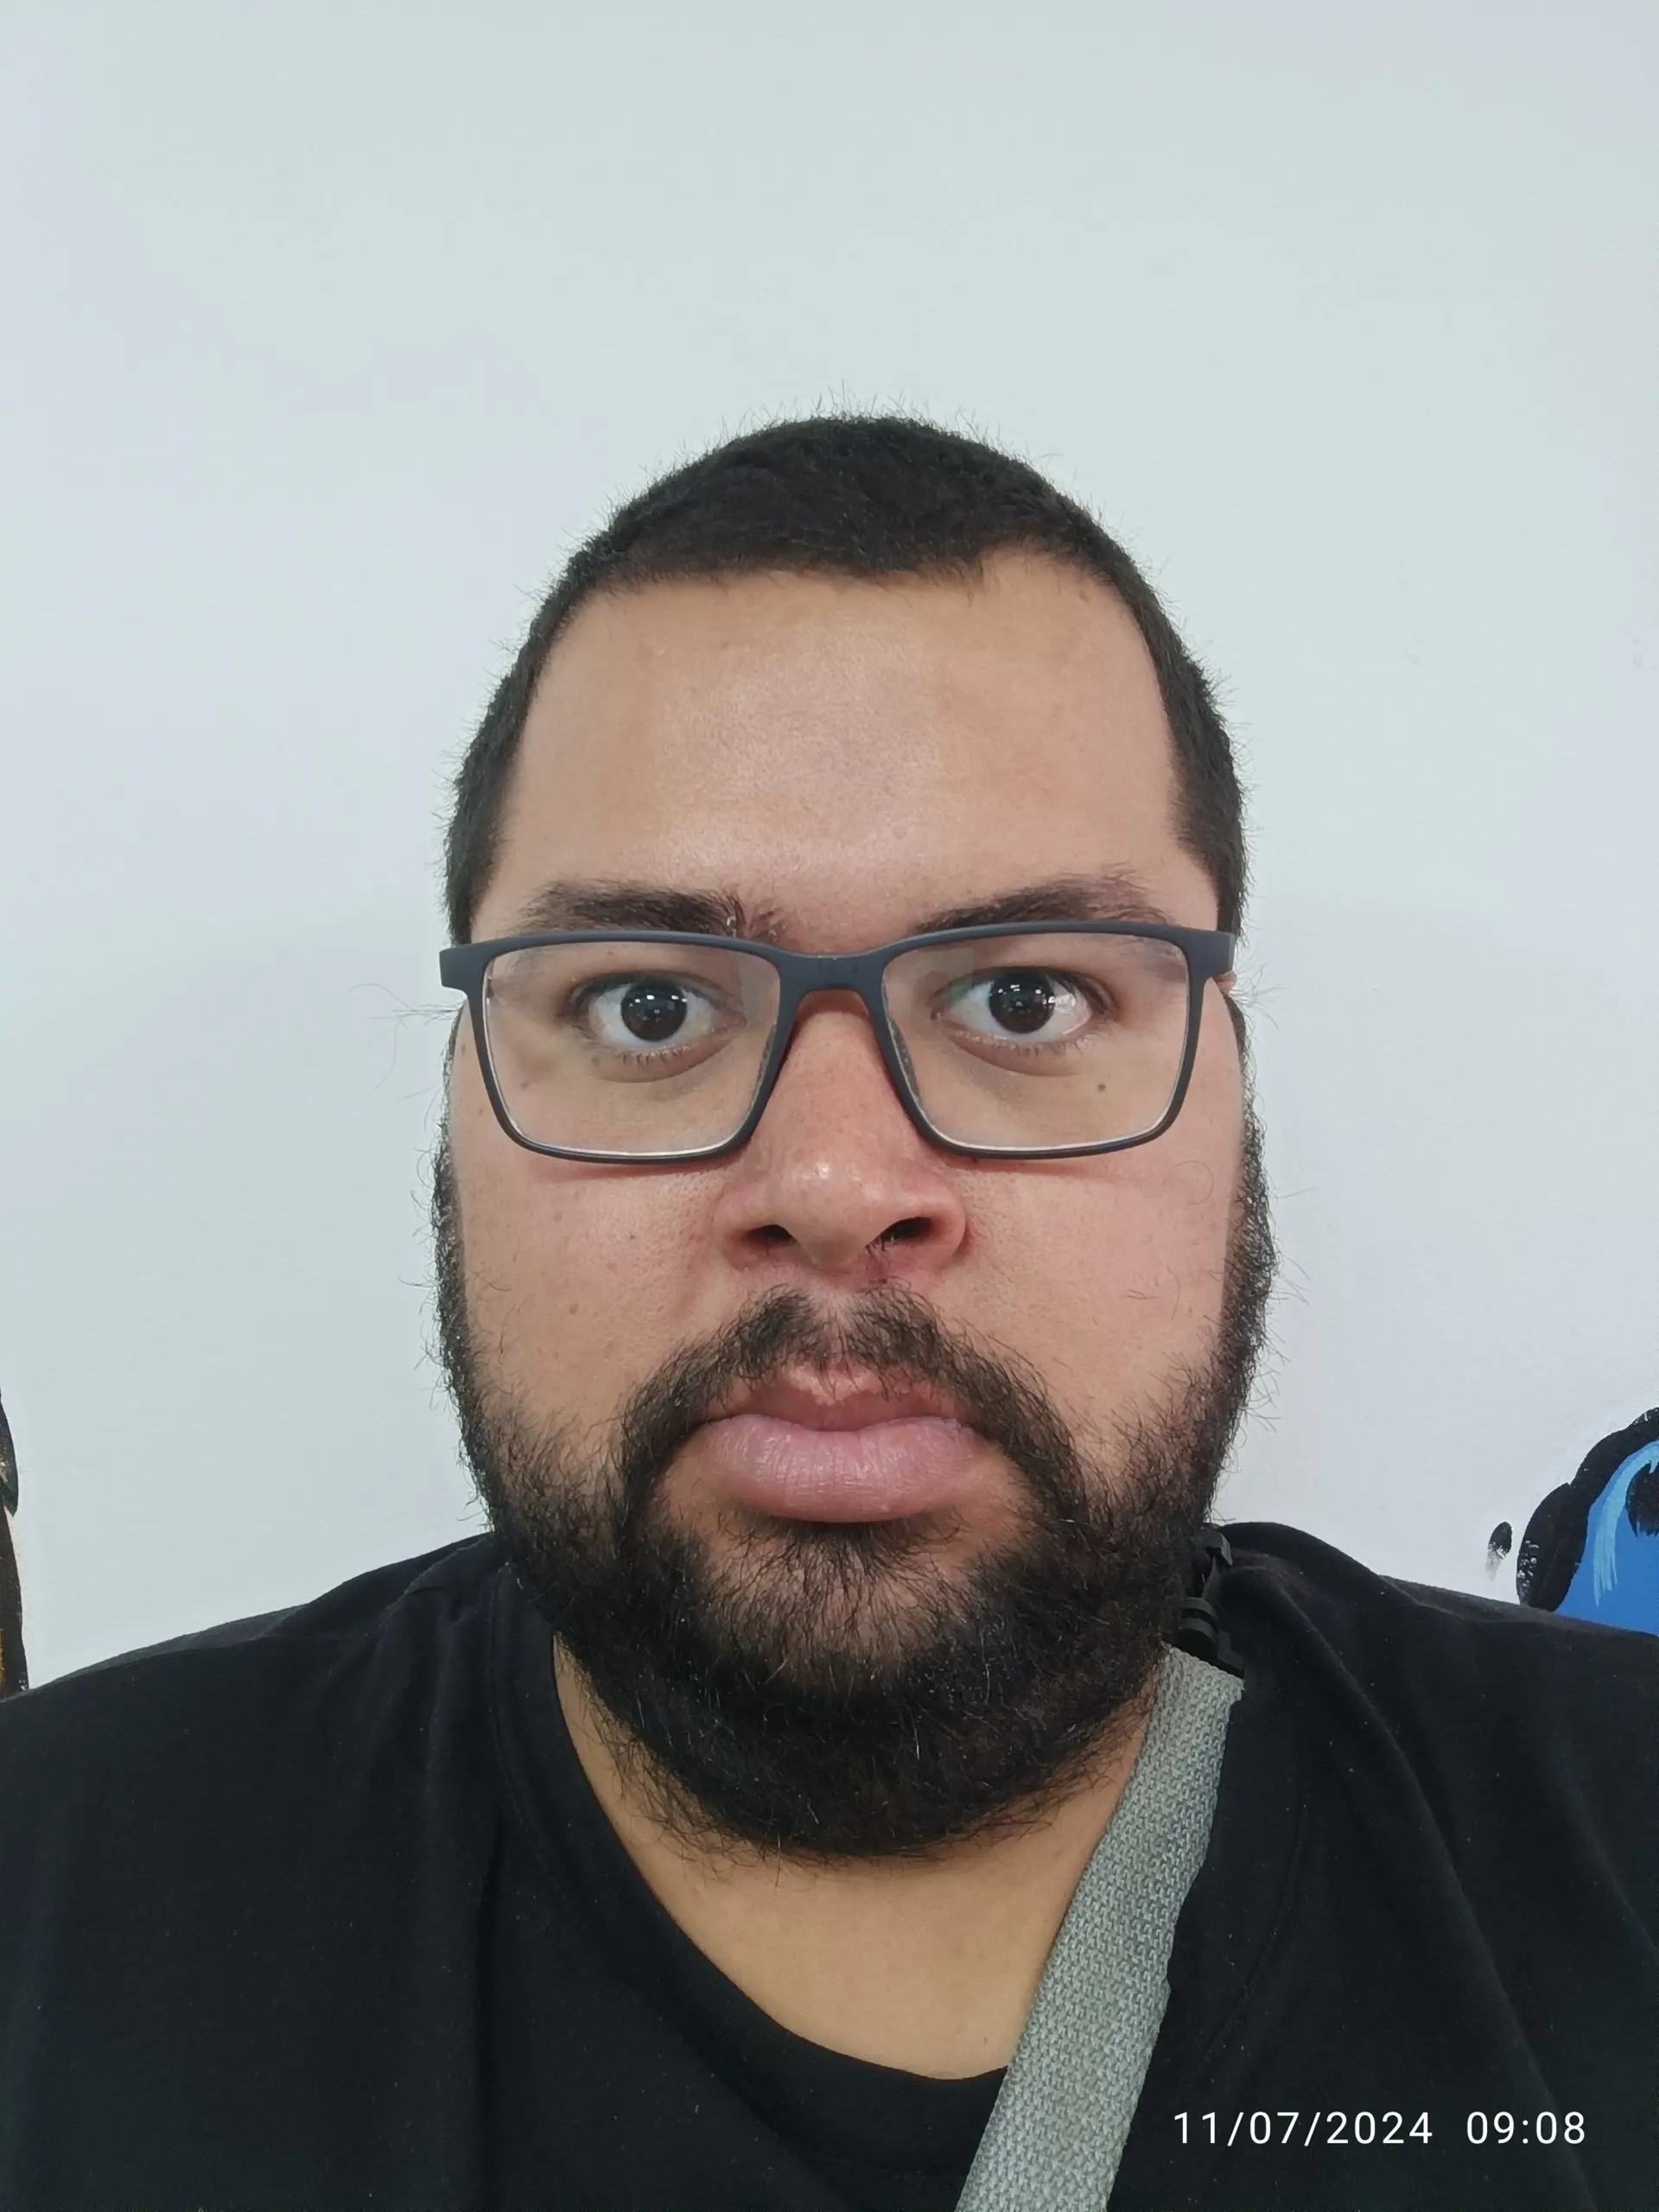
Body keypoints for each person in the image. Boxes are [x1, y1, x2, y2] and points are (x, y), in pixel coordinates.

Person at [1, 418, 1653, 2212]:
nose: (838, 1181)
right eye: (646, 1006)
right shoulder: (55, 1897)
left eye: (1026, 997)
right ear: (459, 1097)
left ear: (1232, 1088)